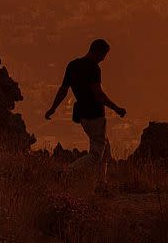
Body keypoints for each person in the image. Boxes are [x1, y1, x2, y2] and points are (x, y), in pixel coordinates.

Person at [45, 39, 127, 180]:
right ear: (98, 52)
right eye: (103, 55)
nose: (103, 59)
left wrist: (53, 108)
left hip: (83, 116)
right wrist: (116, 108)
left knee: (105, 150)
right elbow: (98, 94)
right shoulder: (94, 68)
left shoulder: (73, 65)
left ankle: (102, 185)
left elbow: (63, 90)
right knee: (96, 154)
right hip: (95, 115)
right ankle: (66, 173)